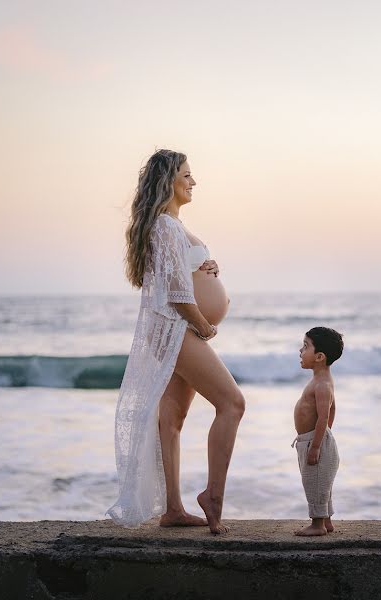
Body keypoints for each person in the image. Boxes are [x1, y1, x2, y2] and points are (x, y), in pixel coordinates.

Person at [107, 149, 245, 535]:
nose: (193, 182)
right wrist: (203, 325)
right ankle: (212, 496)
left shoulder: (168, 226)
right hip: (176, 327)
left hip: (169, 328)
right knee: (232, 403)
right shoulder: (166, 226)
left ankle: (172, 509)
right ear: (169, 180)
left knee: (172, 418)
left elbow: (181, 272)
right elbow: (174, 291)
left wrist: (210, 267)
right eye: (186, 174)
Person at [292, 327, 343, 536]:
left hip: (315, 442)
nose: (300, 351)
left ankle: (317, 525)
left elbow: (323, 416)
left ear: (320, 357)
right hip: (313, 439)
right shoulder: (321, 381)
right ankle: (327, 521)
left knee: (315, 484)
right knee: (322, 484)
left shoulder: (321, 384)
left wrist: (316, 445)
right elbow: (333, 410)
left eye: (305, 347)